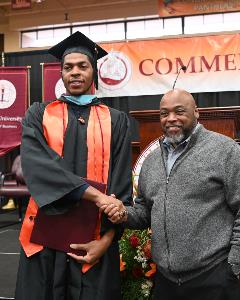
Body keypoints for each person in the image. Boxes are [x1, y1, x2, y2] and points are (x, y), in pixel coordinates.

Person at [15, 31, 132, 300]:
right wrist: (96, 196)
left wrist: (106, 241)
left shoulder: (116, 121)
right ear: (61, 73)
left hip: (94, 244)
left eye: (83, 66)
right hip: (43, 242)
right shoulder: (38, 114)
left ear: (94, 71)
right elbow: (40, 168)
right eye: (68, 67)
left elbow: (121, 187)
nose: (75, 73)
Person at [103, 88, 240, 300]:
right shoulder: (152, 161)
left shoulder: (225, 151)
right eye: (164, 113)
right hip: (166, 282)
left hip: (214, 276)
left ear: (196, 112)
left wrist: (234, 263)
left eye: (179, 111)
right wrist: (122, 214)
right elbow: (145, 213)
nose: (171, 119)